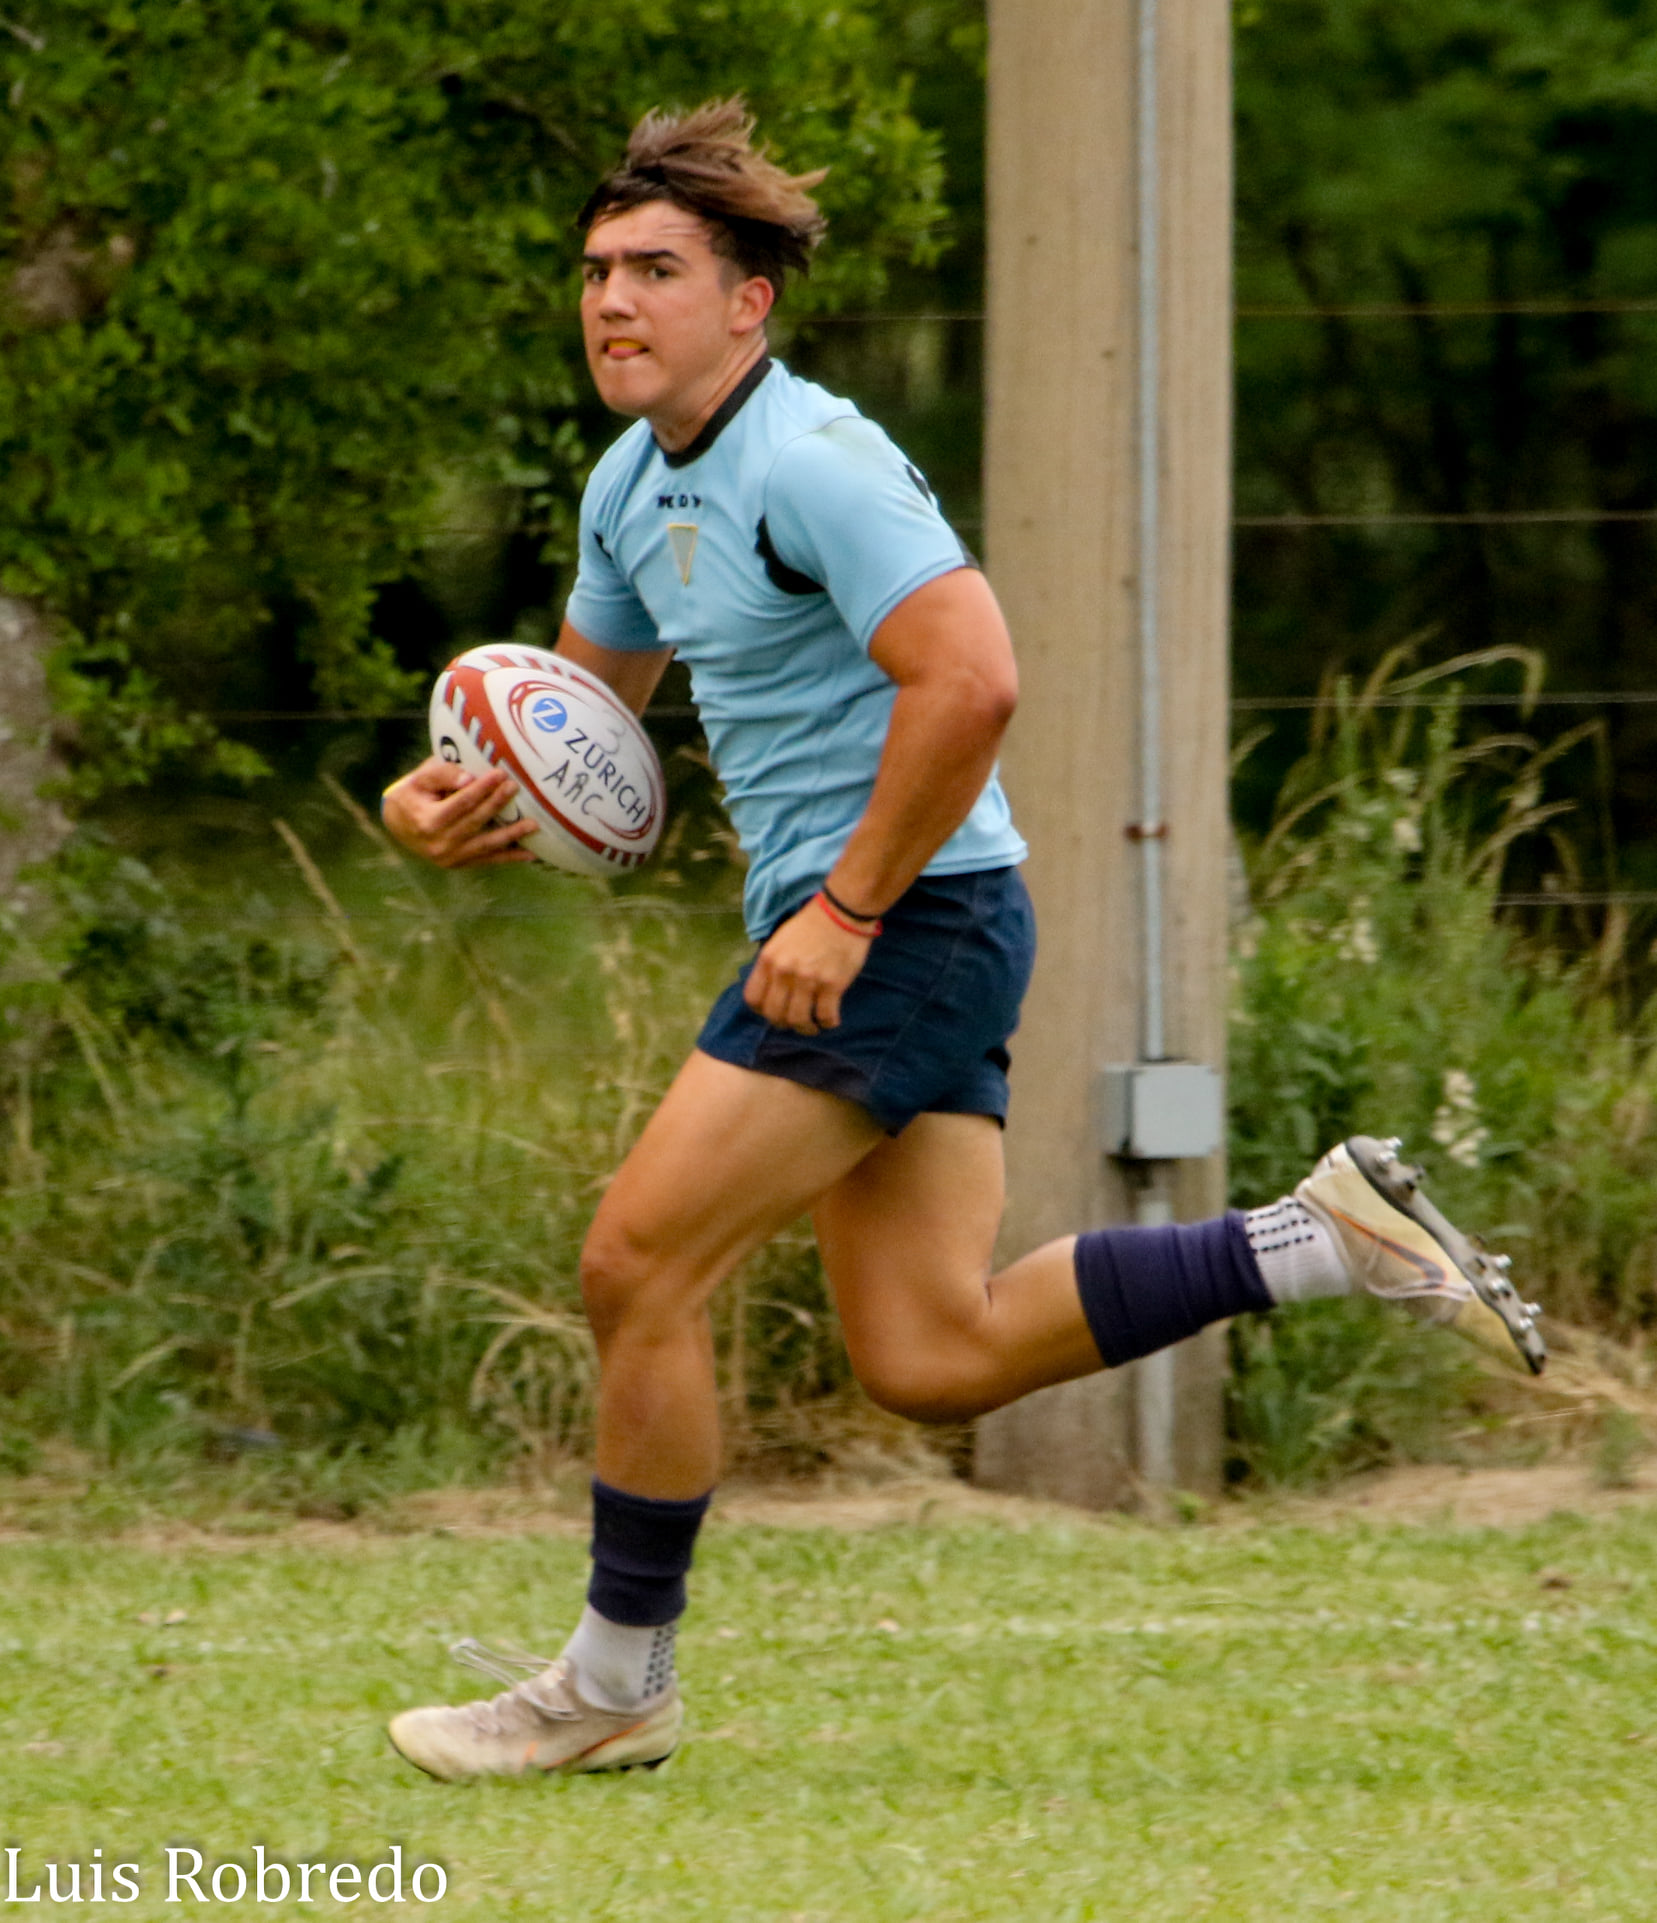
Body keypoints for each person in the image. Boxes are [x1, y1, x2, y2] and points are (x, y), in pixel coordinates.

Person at [378, 99, 1545, 1781]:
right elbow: (581, 729)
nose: (611, 302)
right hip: (886, 925)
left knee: (636, 1263)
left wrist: (844, 911)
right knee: (930, 1356)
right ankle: (1319, 1238)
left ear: (746, 303)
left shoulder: (813, 461)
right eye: (594, 273)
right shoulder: (632, 485)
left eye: (654, 271)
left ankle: (613, 1686)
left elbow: (974, 679)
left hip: (905, 922)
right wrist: (437, 806)